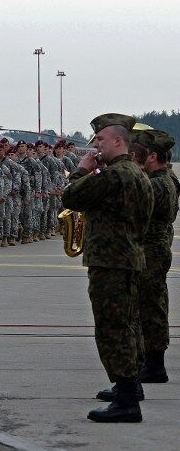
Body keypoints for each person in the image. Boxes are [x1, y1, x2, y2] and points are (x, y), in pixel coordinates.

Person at [61, 113, 153, 423]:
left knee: (112, 329)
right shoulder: (137, 173)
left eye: (100, 140)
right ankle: (128, 388)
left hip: (110, 261)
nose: (95, 145)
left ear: (117, 141)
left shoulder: (113, 176)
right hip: (127, 257)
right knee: (125, 325)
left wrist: (81, 170)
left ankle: (126, 399)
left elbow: (71, 197)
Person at [127, 130, 177, 385]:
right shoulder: (166, 178)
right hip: (155, 249)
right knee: (151, 304)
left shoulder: (158, 183)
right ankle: (151, 362)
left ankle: (154, 364)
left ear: (153, 156)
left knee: (150, 307)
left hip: (151, 251)